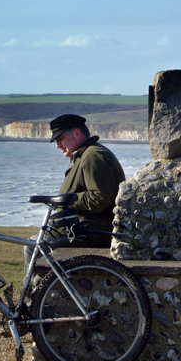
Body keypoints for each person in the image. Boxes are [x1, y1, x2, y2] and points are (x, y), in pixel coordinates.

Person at [24, 114, 126, 269]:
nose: (57, 145)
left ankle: (36, 292)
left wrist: (69, 199)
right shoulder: (82, 156)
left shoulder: (92, 156)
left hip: (91, 230)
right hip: (82, 227)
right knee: (33, 242)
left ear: (77, 134)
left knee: (32, 247)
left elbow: (100, 197)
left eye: (60, 139)